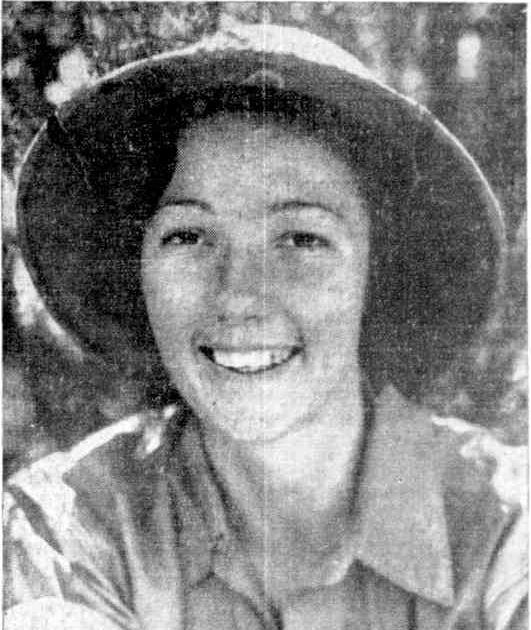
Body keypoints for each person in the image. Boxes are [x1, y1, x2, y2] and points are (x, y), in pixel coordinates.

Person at [4, 23, 527, 630]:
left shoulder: (506, 525)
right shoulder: (71, 527)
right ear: (136, 267)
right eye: (189, 236)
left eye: (301, 238)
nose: (239, 296)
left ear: (378, 270)